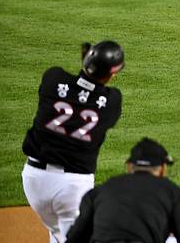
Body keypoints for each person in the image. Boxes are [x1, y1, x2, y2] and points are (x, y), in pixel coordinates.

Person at [21, 41, 125, 243]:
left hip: (34, 181)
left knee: (58, 235)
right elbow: (93, 94)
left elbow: (75, 85)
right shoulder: (112, 102)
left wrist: (88, 64)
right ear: (112, 74)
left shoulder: (53, 78)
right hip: (72, 189)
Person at [66, 137, 180, 243]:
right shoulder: (174, 194)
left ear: (129, 167)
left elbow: (75, 238)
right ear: (163, 169)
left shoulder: (100, 191)